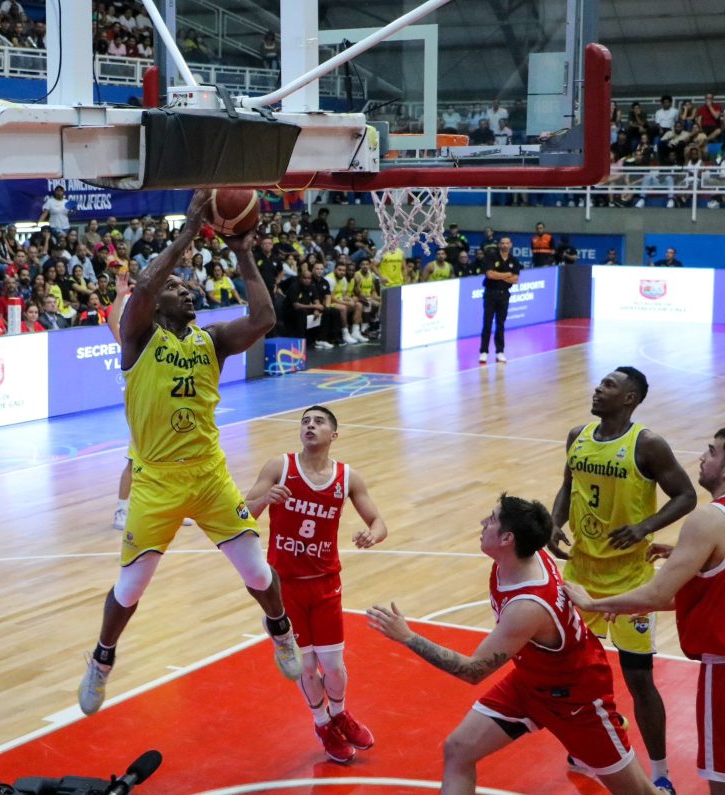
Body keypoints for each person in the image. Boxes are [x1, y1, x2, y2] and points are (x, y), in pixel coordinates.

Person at [78, 190, 302, 716]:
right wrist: (187, 232)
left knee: (257, 572)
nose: (188, 291)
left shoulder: (212, 340)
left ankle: (280, 629)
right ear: (157, 304)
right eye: (177, 288)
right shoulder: (137, 338)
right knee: (131, 587)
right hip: (155, 481)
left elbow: (264, 318)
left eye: (188, 286)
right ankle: (102, 659)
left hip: (208, 477)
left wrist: (242, 251)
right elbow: (143, 289)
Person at [368, 495, 668, 795]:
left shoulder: (528, 606)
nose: (482, 523)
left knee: (640, 794)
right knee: (458, 749)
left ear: (507, 538)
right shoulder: (520, 557)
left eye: (491, 520)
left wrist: (408, 637)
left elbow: (472, 671)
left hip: (577, 701)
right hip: (531, 683)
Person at [548, 366, 697, 793]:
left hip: (630, 582)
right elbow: (568, 485)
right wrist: (556, 522)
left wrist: (645, 527)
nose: (598, 388)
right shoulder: (577, 436)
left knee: (639, 680)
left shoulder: (647, 445)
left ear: (630, 399)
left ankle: (661, 773)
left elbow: (686, 495)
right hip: (581, 575)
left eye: (609, 385)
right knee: (573, 673)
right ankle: (588, 747)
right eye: (600, 383)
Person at [565, 427, 725, 793]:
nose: (702, 457)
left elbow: (657, 594)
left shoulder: (709, 520)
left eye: (712, 451)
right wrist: (691, 557)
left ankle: (657, 772)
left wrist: (593, 604)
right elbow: (697, 592)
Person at [245, 405, 387, 762]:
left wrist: (372, 535)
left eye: (319, 422)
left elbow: (379, 522)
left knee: (333, 666)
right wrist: (263, 500)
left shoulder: (347, 477)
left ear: (333, 435)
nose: (310, 426)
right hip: (285, 587)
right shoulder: (280, 467)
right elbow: (242, 513)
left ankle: (339, 713)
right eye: (305, 421)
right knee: (306, 668)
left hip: (325, 584)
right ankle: (322, 723)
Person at [478, 237, 521, 364]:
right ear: (499, 245)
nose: (505, 245)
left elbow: (515, 279)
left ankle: (500, 351)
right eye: (502, 243)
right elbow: (490, 274)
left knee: (500, 323)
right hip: (490, 293)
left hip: (504, 295)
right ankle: (484, 351)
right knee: (487, 323)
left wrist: (499, 275)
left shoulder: (514, 260)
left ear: (511, 245)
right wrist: (507, 274)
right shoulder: (491, 257)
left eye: (507, 243)